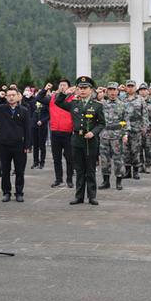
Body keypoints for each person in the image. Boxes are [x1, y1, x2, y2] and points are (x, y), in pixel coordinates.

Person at [54, 76, 105, 206]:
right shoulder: (74, 103)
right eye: (80, 88)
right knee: (79, 169)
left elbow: (101, 124)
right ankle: (79, 196)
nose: (82, 90)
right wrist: (67, 92)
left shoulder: (97, 105)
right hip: (77, 139)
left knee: (90, 169)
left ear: (91, 89)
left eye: (85, 88)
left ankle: (92, 196)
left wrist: (93, 132)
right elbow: (58, 102)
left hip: (90, 141)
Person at [0, 87, 32, 203]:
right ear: (6, 96)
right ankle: (6, 192)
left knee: (19, 170)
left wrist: (27, 145)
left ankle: (19, 192)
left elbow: (28, 129)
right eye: (9, 95)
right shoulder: (1, 109)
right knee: (5, 170)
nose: (11, 97)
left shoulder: (24, 110)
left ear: (18, 96)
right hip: (4, 144)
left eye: (13, 94)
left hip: (19, 145)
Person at [36, 79, 75, 188]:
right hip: (55, 132)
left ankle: (69, 179)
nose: (62, 86)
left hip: (68, 132)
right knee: (56, 158)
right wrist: (45, 89)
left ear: (69, 87)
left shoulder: (73, 99)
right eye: (60, 85)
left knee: (69, 158)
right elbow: (38, 98)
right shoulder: (52, 98)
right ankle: (58, 179)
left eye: (65, 85)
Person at [99, 82, 129, 191]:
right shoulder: (102, 104)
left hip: (117, 135)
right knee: (104, 159)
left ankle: (119, 181)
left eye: (114, 90)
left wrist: (125, 133)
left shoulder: (123, 105)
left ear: (118, 91)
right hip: (104, 135)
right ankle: (105, 181)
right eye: (110, 90)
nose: (112, 92)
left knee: (118, 159)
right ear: (107, 91)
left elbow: (126, 121)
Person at [30, 90, 50, 169]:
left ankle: (42, 162)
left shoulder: (46, 102)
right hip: (34, 126)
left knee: (42, 145)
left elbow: (49, 115)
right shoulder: (33, 102)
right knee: (35, 145)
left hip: (42, 126)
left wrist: (42, 121)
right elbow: (30, 112)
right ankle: (35, 161)